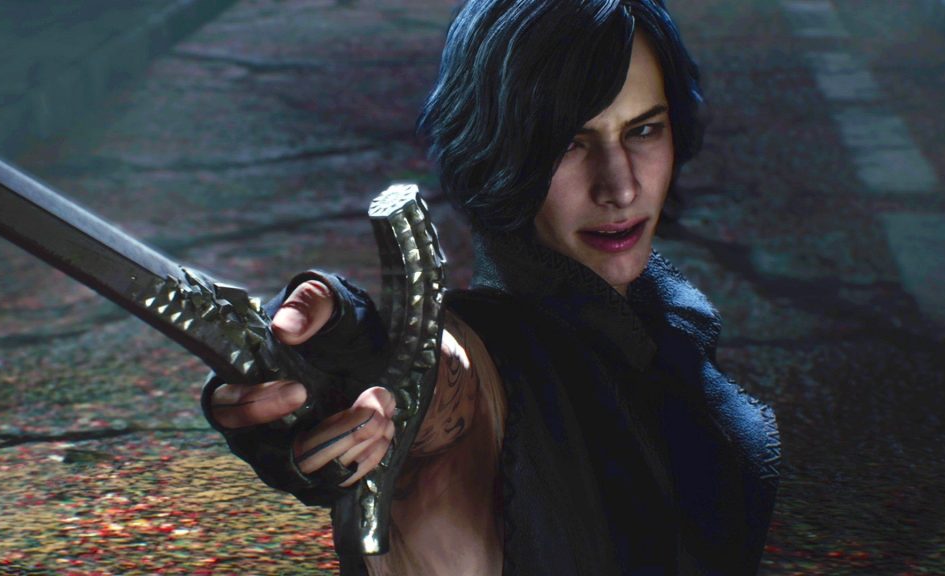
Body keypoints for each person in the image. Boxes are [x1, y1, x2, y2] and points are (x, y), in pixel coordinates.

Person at [203, 0, 780, 574]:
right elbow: (432, 373)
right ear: (496, 147)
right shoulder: (492, 359)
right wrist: (332, 364)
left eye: (644, 130)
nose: (621, 186)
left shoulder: (666, 327)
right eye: (568, 141)